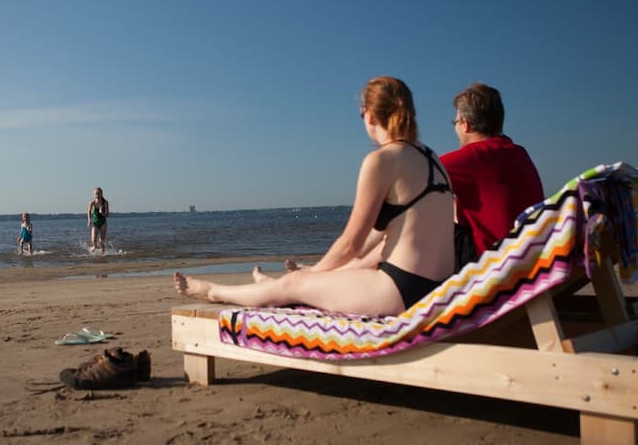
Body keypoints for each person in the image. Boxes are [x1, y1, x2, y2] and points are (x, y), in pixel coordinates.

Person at [174, 76, 455, 314]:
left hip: (404, 291)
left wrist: (307, 276)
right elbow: (387, 236)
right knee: (356, 264)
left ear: (370, 115)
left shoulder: (382, 160)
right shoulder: (433, 159)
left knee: (294, 284)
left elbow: (350, 244)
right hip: (439, 287)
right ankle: (275, 287)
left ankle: (213, 290)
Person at [439, 82, 544, 267]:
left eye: (455, 122)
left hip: (493, 261)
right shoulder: (518, 152)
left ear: (465, 124)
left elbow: (415, 169)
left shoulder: (474, 157)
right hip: (529, 253)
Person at [87, 188, 110, 253]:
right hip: (95, 223)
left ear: (101, 194)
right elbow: (88, 211)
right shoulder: (92, 202)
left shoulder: (105, 202)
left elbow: (107, 215)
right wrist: (89, 220)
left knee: (101, 241)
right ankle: (94, 247)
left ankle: (103, 255)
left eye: (98, 193)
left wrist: (102, 213)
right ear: (94, 195)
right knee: (93, 240)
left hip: (103, 222)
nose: (97, 195)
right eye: (95, 194)